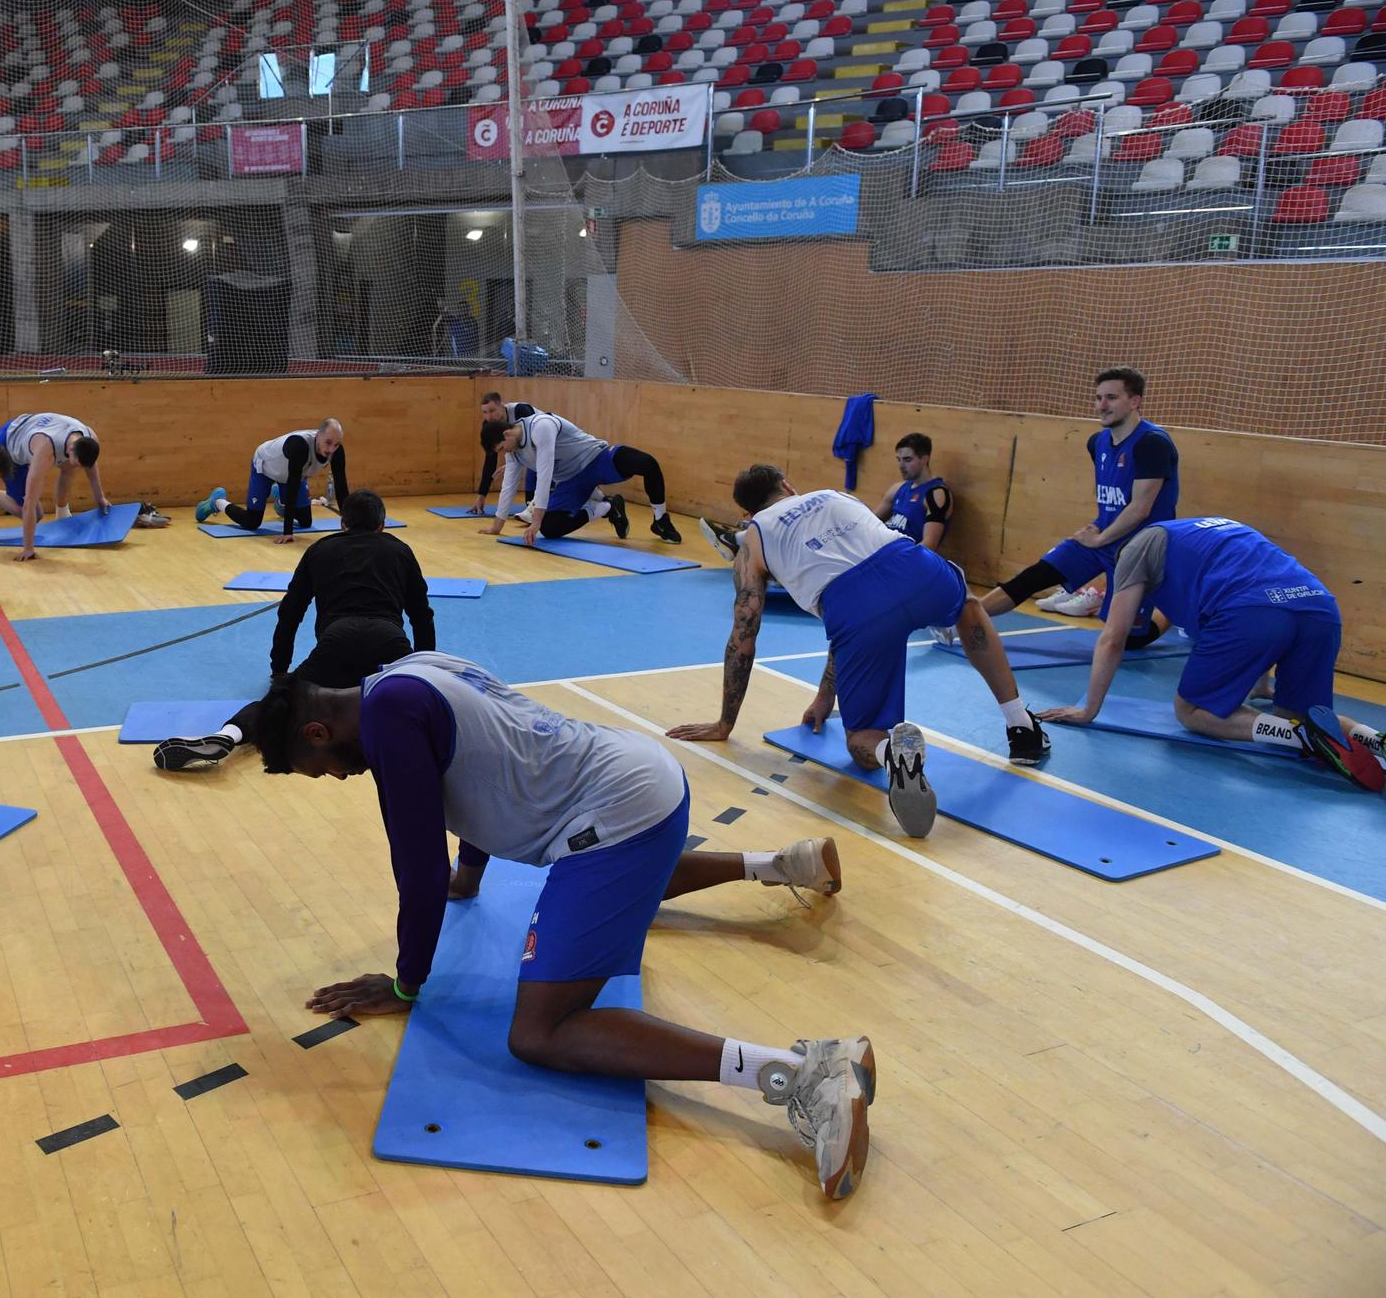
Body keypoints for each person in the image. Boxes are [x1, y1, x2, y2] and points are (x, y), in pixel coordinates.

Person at [250, 650, 877, 1201]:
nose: (339, 775)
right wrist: (469, 876)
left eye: (322, 766)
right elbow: (483, 759)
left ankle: (801, 1074)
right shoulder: (408, 675)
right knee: (620, 890)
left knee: (540, 1033)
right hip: (635, 773)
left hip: (618, 818)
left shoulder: (389, 721)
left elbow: (416, 871)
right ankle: (778, 864)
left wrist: (405, 984)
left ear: (317, 729)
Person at [670, 465, 1051, 839]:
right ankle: (1020, 725)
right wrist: (824, 695)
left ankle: (892, 754)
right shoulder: (833, 494)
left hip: (855, 610)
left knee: (861, 740)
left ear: (746, 514)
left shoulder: (754, 539)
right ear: (788, 486)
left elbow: (744, 638)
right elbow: (869, 563)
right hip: (912, 566)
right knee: (969, 608)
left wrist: (725, 723)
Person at [1040, 517, 1385, 791]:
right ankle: (1376, 740)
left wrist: (1089, 710)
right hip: (1319, 605)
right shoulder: (1208, 533)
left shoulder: (1134, 551)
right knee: (1302, 712)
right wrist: (1262, 685)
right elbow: (1266, 589)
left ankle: (1301, 735)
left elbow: (1114, 637)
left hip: (1252, 612)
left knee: (1191, 710)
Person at [154, 489, 435, 770]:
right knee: (419, 703)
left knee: (278, 707)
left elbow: (290, 613)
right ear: (382, 525)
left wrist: (280, 673)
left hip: (336, 644)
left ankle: (226, 735)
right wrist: (424, 668)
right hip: (389, 643)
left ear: (342, 524)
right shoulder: (400, 550)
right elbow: (421, 615)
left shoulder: (320, 549)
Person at [981, 368, 1177, 638]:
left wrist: (1100, 538)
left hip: (1139, 550)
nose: (1101, 405)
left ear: (1135, 401)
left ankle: (1171, 609)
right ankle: (965, 618)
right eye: (1098, 398)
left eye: (1111, 397)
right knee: (1033, 578)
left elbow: (1140, 508)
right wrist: (1098, 536)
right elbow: (1115, 498)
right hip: (1102, 536)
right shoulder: (1097, 443)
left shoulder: (1152, 443)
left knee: (1128, 640)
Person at [480, 411, 683, 544]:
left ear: (507, 434)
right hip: (572, 482)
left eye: (501, 448)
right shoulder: (513, 451)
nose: (503, 452)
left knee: (648, 463)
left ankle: (660, 521)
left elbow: (545, 473)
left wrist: (535, 520)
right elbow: (509, 484)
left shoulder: (540, 426)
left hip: (596, 458)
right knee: (550, 528)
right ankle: (608, 507)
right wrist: (497, 525)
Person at [0, 412, 109, 562]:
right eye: (77, 462)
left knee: (70, 467)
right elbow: (29, 500)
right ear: (70, 450)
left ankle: (62, 513)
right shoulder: (46, 451)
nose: (80, 468)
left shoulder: (89, 437)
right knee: (34, 514)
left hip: (30, 429)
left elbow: (90, 467)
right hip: (8, 446)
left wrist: (100, 497)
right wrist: (28, 548)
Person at [206, 420, 350, 544]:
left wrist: (348, 522)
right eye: (328, 443)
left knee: (306, 522)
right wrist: (287, 532)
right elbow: (293, 485)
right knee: (252, 522)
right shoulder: (299, 445)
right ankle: (218, 501)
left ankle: (281, 502)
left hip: (292, 474)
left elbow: (341, 485)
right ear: (318, 435)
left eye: (336, 444)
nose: (331, 449)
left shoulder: (336, 451)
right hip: (266, 468)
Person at [875, 432, 959, 645]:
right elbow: (871, 522)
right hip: (884, 550)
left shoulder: (936, 494)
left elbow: (929, 545)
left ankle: (940, 608)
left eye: (908, 460)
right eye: (899, 460)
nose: (901, 466)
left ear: (925, 458)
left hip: (906, 559)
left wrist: (894, 564)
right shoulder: (897, 489)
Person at [469, 391, 536, 517]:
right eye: (485, 412)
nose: (489, 417)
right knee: (530, 504)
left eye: (492, 411)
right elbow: (490, 459)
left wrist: (516, 462)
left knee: (534, 474)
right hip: (526, 455)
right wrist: (482, 495)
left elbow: (534, 444)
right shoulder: (488, 425)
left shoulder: (521, 410)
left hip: (542, 447)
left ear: (502, 406)